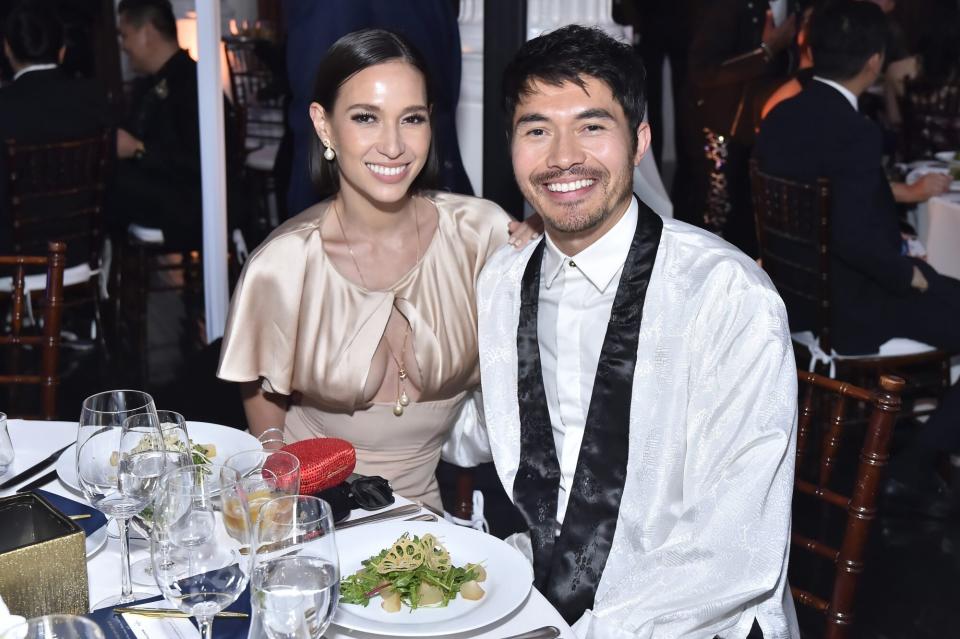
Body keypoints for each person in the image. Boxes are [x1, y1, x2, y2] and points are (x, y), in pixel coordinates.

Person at [475, 24, 798, 637]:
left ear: (640, 139)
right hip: (539, 598)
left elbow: (734, 548)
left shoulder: (726, 298)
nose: (563, 156)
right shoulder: (502, 280)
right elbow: (492, 430)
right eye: (537, 129)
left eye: (592, 127)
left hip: (691, 621)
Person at [217, 29, 539, 513]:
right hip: (314, 508)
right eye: (366, 117)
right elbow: (261, 387)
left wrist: (549, 242)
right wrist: (275, 464)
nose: (393, 145)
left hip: (425, 516)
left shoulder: (481, 234)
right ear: (324, 126)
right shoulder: (283, 264)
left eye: (411, 119)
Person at [756, 0, 960, 515]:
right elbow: (858, 242)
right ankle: (913, 469)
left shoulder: (781, 115)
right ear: (873, 61)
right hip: (848, 312)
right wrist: (909, 274)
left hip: (796, 299)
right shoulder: (853, 133)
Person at [672, 0, 798, 257]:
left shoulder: (797, 7)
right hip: (719, 126)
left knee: (750, 224)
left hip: (760, 130)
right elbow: (702, 71)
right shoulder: (725, 7)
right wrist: (766, 51)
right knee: (713, 221)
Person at [0, 0, 108, 260]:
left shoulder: (6, 107)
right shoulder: (95, 100)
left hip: (13, 264)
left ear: (7, 49)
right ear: (62, 51)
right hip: (80, 256)